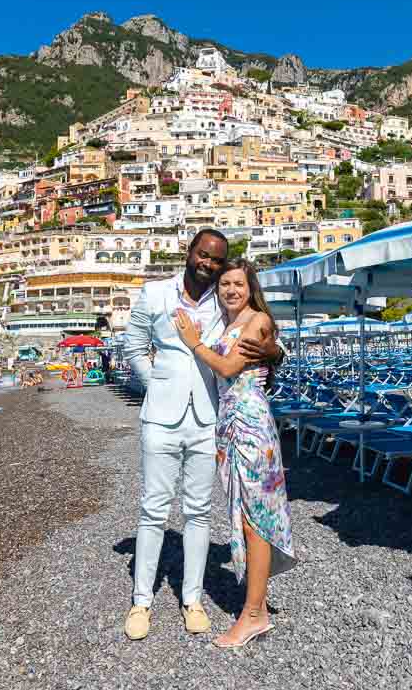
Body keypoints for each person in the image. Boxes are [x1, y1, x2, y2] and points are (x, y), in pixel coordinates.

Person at [122, 229, 280, 641]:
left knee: (198, 511)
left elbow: (258, 329)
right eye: (203, 255)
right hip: (160, 415)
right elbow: (134, 347)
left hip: (210, 418)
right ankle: (142, 601)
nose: (208, 264)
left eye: (216, 259)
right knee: (153, 508)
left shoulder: (222, 298)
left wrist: (277, 352)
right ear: (188, 252)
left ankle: (191, 599)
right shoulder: (155, 293)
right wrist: (153, 384)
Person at [174, 259, 296, 647]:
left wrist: (193, 342)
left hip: (251, 426)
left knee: (254, 521)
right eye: (224, 283)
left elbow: (228, 368)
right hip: (230, 426)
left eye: (238, 284)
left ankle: (255, 615)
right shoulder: (227, 324)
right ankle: (255, 606)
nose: (230, 290)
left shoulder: (257, 320)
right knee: (245, 517)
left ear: (250, 287)